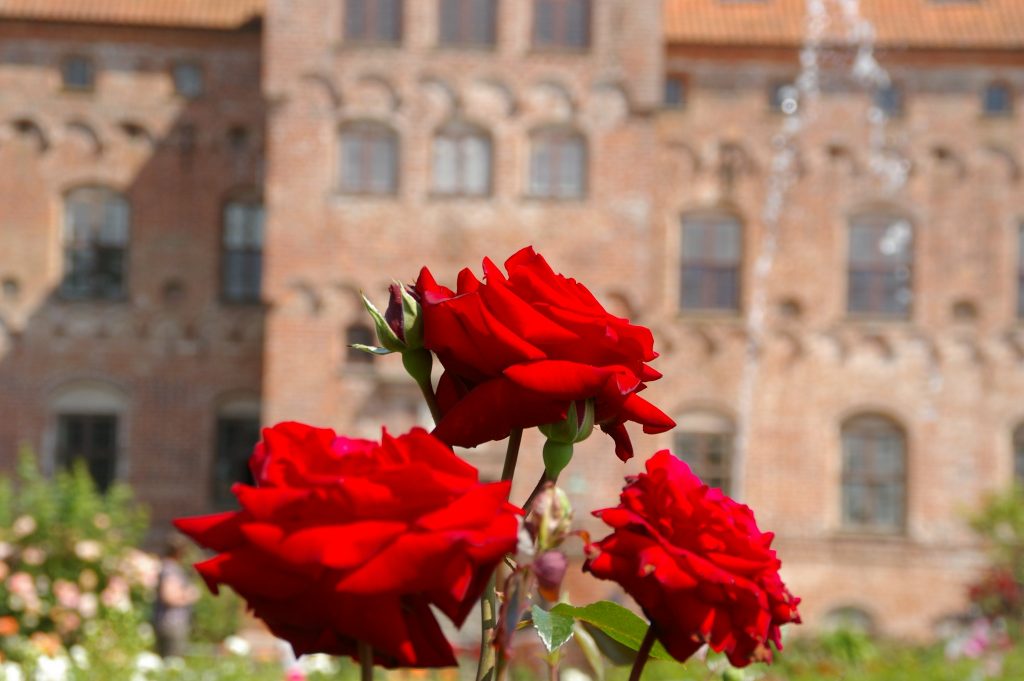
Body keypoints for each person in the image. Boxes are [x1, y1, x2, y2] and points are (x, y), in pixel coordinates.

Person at [153, 533, 199, 657]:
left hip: (167, 622)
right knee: (173, 662)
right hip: (172, 623)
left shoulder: (167, 567)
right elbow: (169, 596)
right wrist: (189, 595)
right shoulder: (170, 569)